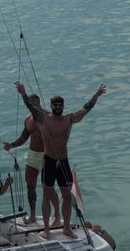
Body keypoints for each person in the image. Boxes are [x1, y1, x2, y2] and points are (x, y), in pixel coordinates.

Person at [17, 79, 107, 239]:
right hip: (49, 161)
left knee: (67, 196)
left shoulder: (68, 119)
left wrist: (96, 95)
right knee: (46, 195)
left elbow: (86, 108)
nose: (58, 107)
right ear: (51, 106)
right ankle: (46, 229)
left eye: (60, 105)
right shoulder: (43, 119)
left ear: (63, 107)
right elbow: (31, 107)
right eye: (55, 105)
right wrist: (24, 93)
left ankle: (66, 227)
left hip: (63, 162)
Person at [2, 89, 53, 231]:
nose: (34, 105)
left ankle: (54, 214)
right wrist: (11, 145)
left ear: (39, 103)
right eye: (31, 103)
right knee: (30, 185)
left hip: (46, 154)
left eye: (36, 103)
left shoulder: (47, 116)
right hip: (32, 154)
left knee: (47, 187)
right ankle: (32, 215)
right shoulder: (28, 120)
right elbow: (24, 138)